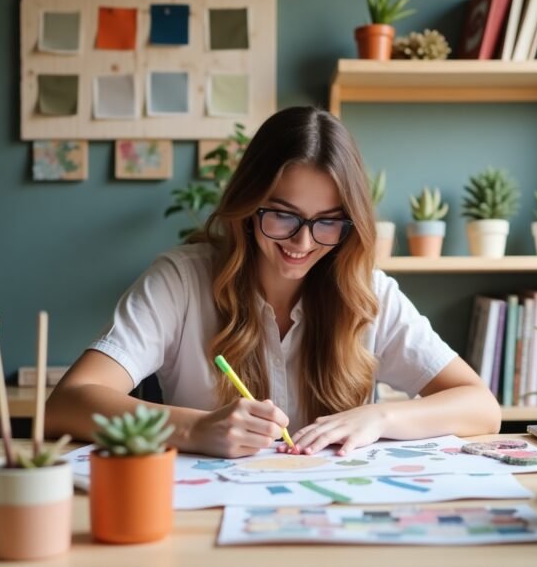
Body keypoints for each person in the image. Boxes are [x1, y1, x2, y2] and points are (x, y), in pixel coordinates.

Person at [45, 106, 502, 458]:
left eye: (327, 221)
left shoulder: (369, 293)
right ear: (248, 204)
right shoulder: (181, 281)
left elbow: (482, 408)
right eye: (283, 215)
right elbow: (66, 404)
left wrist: (379, 416)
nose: (302, 242)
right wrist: (195, 429)